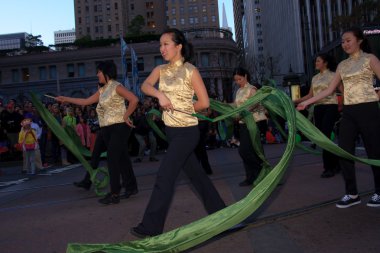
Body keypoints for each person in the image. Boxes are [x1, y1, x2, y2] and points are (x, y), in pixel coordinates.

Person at [130, 28, 226, 238]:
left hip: (187, 132)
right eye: (160, 45)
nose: (161, 48)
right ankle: (222, 215)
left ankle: (151, 226)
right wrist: (159, 95)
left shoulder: (191, 71)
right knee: (198, 178)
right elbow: (144, 85)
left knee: (165, 176)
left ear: (178, 46)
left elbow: (204, 103)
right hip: (171, 132)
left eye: (165, 44)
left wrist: (182, 105)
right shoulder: (160, 70)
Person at [297, 27, 380, 208]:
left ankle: (379, 191)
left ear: (359, 41)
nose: (344, 44)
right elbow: (329, 90)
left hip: (369, 109)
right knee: (344, 150)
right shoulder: (342, 66)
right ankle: (352, 193)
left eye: (348, 40)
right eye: (342, 41)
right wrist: (307, 102)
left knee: (375, 151)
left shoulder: (370, 59)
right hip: (349, 112)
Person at [56, 60, 139, 205]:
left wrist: (126, 116)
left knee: (112, 159)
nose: (97, 74)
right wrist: (66, 99)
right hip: (106, 129)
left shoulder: (116, 86)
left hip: (119, 126)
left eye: (99, 71)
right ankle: (131, 187)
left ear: (106, 72)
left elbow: (134, 99)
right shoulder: (102, 90)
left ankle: (114, 193)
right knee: (122, 158)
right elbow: (85, 101)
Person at [294, 54, 340, 178]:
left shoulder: (334, 75)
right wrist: (296, 101)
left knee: (325, 135)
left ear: (325, 63)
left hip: (331, 106)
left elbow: (342, 90)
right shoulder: (314, 78)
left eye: (318, 61)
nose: (316, 63)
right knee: (321, 137)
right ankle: (336, 162)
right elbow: (310, 96)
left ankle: (328, 168)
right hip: (318, 108)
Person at [232, 67, 267, 187]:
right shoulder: (238, 91)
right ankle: (251, 177)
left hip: (254, 122)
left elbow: (254, 104)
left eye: (239, 79)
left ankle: (261, 173)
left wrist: (241, 113)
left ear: (246, 76)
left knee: (246, 150)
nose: (238, 82)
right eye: (236, 80)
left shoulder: (252, 89)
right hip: (243, 123)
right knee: (250, 150)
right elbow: (236, 105)